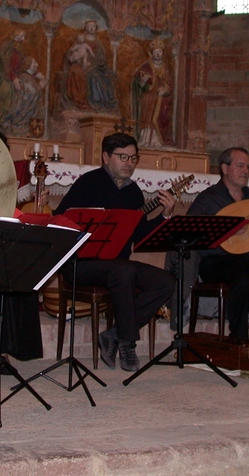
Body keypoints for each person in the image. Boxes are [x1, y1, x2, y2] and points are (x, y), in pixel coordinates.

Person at [54, 132, 176, 371]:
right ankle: (128, 344)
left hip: (119, 265)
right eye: (123, 157)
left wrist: (165, 215)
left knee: (165, 281)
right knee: (124, 271)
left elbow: (141, 237)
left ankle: (115, 334)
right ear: (106, 156)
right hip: (82, 264)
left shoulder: (133, 192)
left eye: (133, 158)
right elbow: (61, 221)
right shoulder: (88, 182)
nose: (129, 163)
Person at [186, 147, 249, 354]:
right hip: (216, 262)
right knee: (242, 279)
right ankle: (239, 341)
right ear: (225, 168)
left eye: (248, 167)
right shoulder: (208, 198)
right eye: (240, 165)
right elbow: (191, 230)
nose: (246, 171)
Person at [132, 39, 172, 148]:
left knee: (160, 117)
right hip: (148, 96)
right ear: (152, 53)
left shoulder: (165, 68)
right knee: (147, 117)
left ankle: (156, 140)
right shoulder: (146, 66)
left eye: (159, 52)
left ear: (163, 53)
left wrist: (165, 89)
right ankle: (145, 140)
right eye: (155, 52)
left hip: (160, 98)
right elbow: (137, 83)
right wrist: (143, 81)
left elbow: (169, 82)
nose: (157, 54)